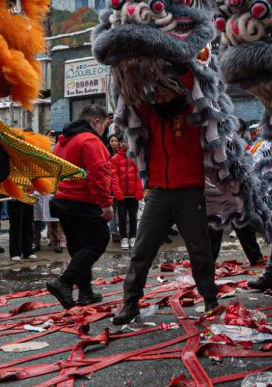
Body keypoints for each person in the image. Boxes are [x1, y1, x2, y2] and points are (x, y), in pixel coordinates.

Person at [112, 71, 220, 324]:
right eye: (155, 91)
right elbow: (130, 89)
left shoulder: (193, 111)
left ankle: (210, 299)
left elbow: (192, 76)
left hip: (190, 190)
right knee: (142, 249)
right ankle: (130, 303)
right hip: (158, 190)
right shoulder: (149, 114)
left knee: (199, 249)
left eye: (164, 90)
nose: (158, 96)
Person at [46, 105, 114, 308]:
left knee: (79, 248)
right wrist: (105, 203)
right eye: (103, 125)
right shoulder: (90, 140)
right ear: (95, 122)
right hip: (83, 200)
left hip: (63, 200)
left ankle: (85, 292)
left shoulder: (62, 142)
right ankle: (64, 282)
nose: (104, 130)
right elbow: (98, 173)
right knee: (98, 241)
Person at [111, 136, 143, 249]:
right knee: (122, 217)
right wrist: (117, 192)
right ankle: (124, 238)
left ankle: (133, 237)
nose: (125, 143)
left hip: (133, 195)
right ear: (120, 143)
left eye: (127, 141)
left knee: (133, 216)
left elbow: (138, 176)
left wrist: (139, 190)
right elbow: (113, 178)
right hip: (121, 196)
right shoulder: (115, 159)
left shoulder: (134, 158)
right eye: (123, 141)